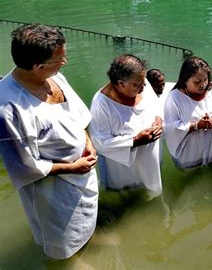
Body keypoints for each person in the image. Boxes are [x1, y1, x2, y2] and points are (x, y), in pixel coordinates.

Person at [0, 24, 98, 259]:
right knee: (61, 230)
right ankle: (67, 259)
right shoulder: (9, 108)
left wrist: (88, 143)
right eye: (59, 58)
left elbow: (78, 116)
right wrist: (71, 167)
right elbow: (25, 166)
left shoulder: (55, 76)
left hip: (83, 170)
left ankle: (89, 237)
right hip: (54, 185)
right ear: (38, 66)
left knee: (85, 214)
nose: (64, 62)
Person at [89, 54, 163, 199]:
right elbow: (99, 143)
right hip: (124, 168)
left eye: (143, 82)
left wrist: (159, 120)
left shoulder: (141, 83)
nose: (144, 86)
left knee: (153, 190)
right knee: (128, 197)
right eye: (137, 85)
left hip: (150, 161)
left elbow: (157, 105)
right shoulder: (101, 105)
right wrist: (135, 140)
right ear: (121, 84)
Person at [164, 56, 212, 169]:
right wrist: (196, 125)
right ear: (185, 80)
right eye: (197, 82)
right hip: (190, 156)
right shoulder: (174, 98)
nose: (203, 85)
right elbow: (169, 128)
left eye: (205, 80)